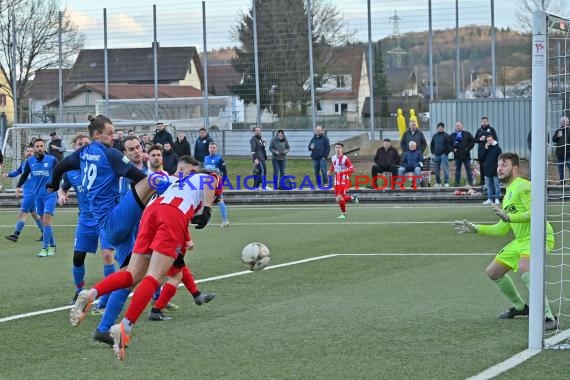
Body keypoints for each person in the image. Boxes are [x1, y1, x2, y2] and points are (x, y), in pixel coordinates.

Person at [69, 164, 219, 361]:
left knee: (132, 274)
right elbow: (211, 181)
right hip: (172, 216)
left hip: (150, 214)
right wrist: (207, 210)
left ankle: (91, 293)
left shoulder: (178, 181)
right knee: (153, 276)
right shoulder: (205, 178)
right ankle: (125, 326)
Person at [453, 153, 558, 330]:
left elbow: (535, 213)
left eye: (504, 165)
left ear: (515, 169)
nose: (499, 168)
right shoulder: (508, 192)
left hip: (539, 236)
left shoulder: (524, 186)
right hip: (521, 240)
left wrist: (509, 216)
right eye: (498, 165)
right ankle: (520, 307)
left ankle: (548, 317)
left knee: (525, 266)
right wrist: (476, 228)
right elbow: (502, 228)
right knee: (493, 271)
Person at [57, 134, 116, 310]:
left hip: (104, 216)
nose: (84, 146)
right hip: (85, 219)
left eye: (86, 144)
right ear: (74, 148)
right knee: (77, 258)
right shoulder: (71, 171)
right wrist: (61, 192)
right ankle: (79, 291)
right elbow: (63, 185)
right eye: (80, 144)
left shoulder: (102, 163)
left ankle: (108, 295)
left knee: (107, 255)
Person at [16, 138, 58, 257]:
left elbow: (59, 172)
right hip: (38, 196)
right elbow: (24, 176)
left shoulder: (52, 160)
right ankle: (53, 246)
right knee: (45, 223)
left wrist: (59, 188)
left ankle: (45, 248)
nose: (39, 148)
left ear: (44, 147)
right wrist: (18, 186)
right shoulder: (30, 161)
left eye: (41, 146)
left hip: (50, 195)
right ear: (34, 148)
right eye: (37, 146)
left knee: (46, 221)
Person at [3, 144, 44, 242]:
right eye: (27, 151)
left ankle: (16, 235)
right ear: (24, 153)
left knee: (23, 213)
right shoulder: (25, 163)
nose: (29, 152)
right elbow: (17, 172)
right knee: (34, 214)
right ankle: (45, 233)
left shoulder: (37, 163)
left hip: (32, 193)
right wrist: (8, 174)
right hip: (27, 192)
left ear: (34, 152)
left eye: (31, 150)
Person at [328, 143, 358, 219]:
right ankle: (352, 198)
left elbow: (352, 169)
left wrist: (343, 172)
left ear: (342, 149)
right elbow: (333, 166)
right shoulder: (333, 158)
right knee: (338, 198)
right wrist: (330, 171)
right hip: (337, 179)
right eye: (336, 147)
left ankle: (344, 214)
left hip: (343, 179)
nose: (337, 149)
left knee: (339, 197)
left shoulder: (345, 159)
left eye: (339, 147)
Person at [203, 142, 229, 227]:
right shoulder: (205, 158)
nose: (212, 149)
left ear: (216, 149)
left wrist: (222, 183)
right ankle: (208, 221)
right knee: (207, 202)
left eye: (213, 147)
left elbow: (224, 172)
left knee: (220, 201)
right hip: (208, 183)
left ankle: (225, 221)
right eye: (210, 147)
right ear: (208, 149)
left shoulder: (219, 159)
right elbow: (205, 171)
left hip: (217, 183)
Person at [449, 121, 475, 186]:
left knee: (468, 169)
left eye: (459, 126)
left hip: (466, 155)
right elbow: (448, 144)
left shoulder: (467, 133)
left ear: (462, 126)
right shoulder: (452, 135)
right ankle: (457, 183)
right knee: (457, 170)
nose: (458, 127)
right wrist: (452, 149)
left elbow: (472, 141)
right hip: (457, 155)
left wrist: (468, 148)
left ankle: (471, 183)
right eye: (457, 126)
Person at [474, 116, 498, 185]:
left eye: (485, 121)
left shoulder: (491, 130)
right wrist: (480, 139)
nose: (484, 123)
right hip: (481, 151)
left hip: (489, 151)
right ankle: (482, 182)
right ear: (481, 122)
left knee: (490, 166)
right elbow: (475, 140)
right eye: (483, 121)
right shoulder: (479, 130)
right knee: (481, 166)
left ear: (488, 122)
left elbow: (496, 139)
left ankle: (490, 182)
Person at [479, 134, 502, 205]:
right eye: (487, 140)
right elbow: (481, 158)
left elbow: (500, 159)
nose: (489, 141)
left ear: (493, 140)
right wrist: (485, 149)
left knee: (497, 185)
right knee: (489, 186)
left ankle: (497, 199)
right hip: (487, 169)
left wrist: (498, 168)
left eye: (490, 140)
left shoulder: (498, 148)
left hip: (495, 170)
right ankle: (489, 199)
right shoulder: (486, 148)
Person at [430, 122, 451, 188]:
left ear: (443, 128)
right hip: (436, 155)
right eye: (439, 127)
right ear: (437, 128)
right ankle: (438, 182)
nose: (440, 128)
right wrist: (433, 152)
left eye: (441, 127)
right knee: (436, 170)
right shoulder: (435, 136)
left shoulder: (446, 135)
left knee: (445, 169)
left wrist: (446, 153)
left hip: (444, 155)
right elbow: (432, 144)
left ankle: (446, 182)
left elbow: (449, 146)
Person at [552, 116, 570, 184]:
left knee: (569, 165)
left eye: (565, 121)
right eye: (562, 122)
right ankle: (562, 181)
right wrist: (557, 136)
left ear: (568, 122)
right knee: (560, 168)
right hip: (560, 153)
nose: (564, 123)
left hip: (568, 153)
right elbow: (553, 139)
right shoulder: (558, 130)